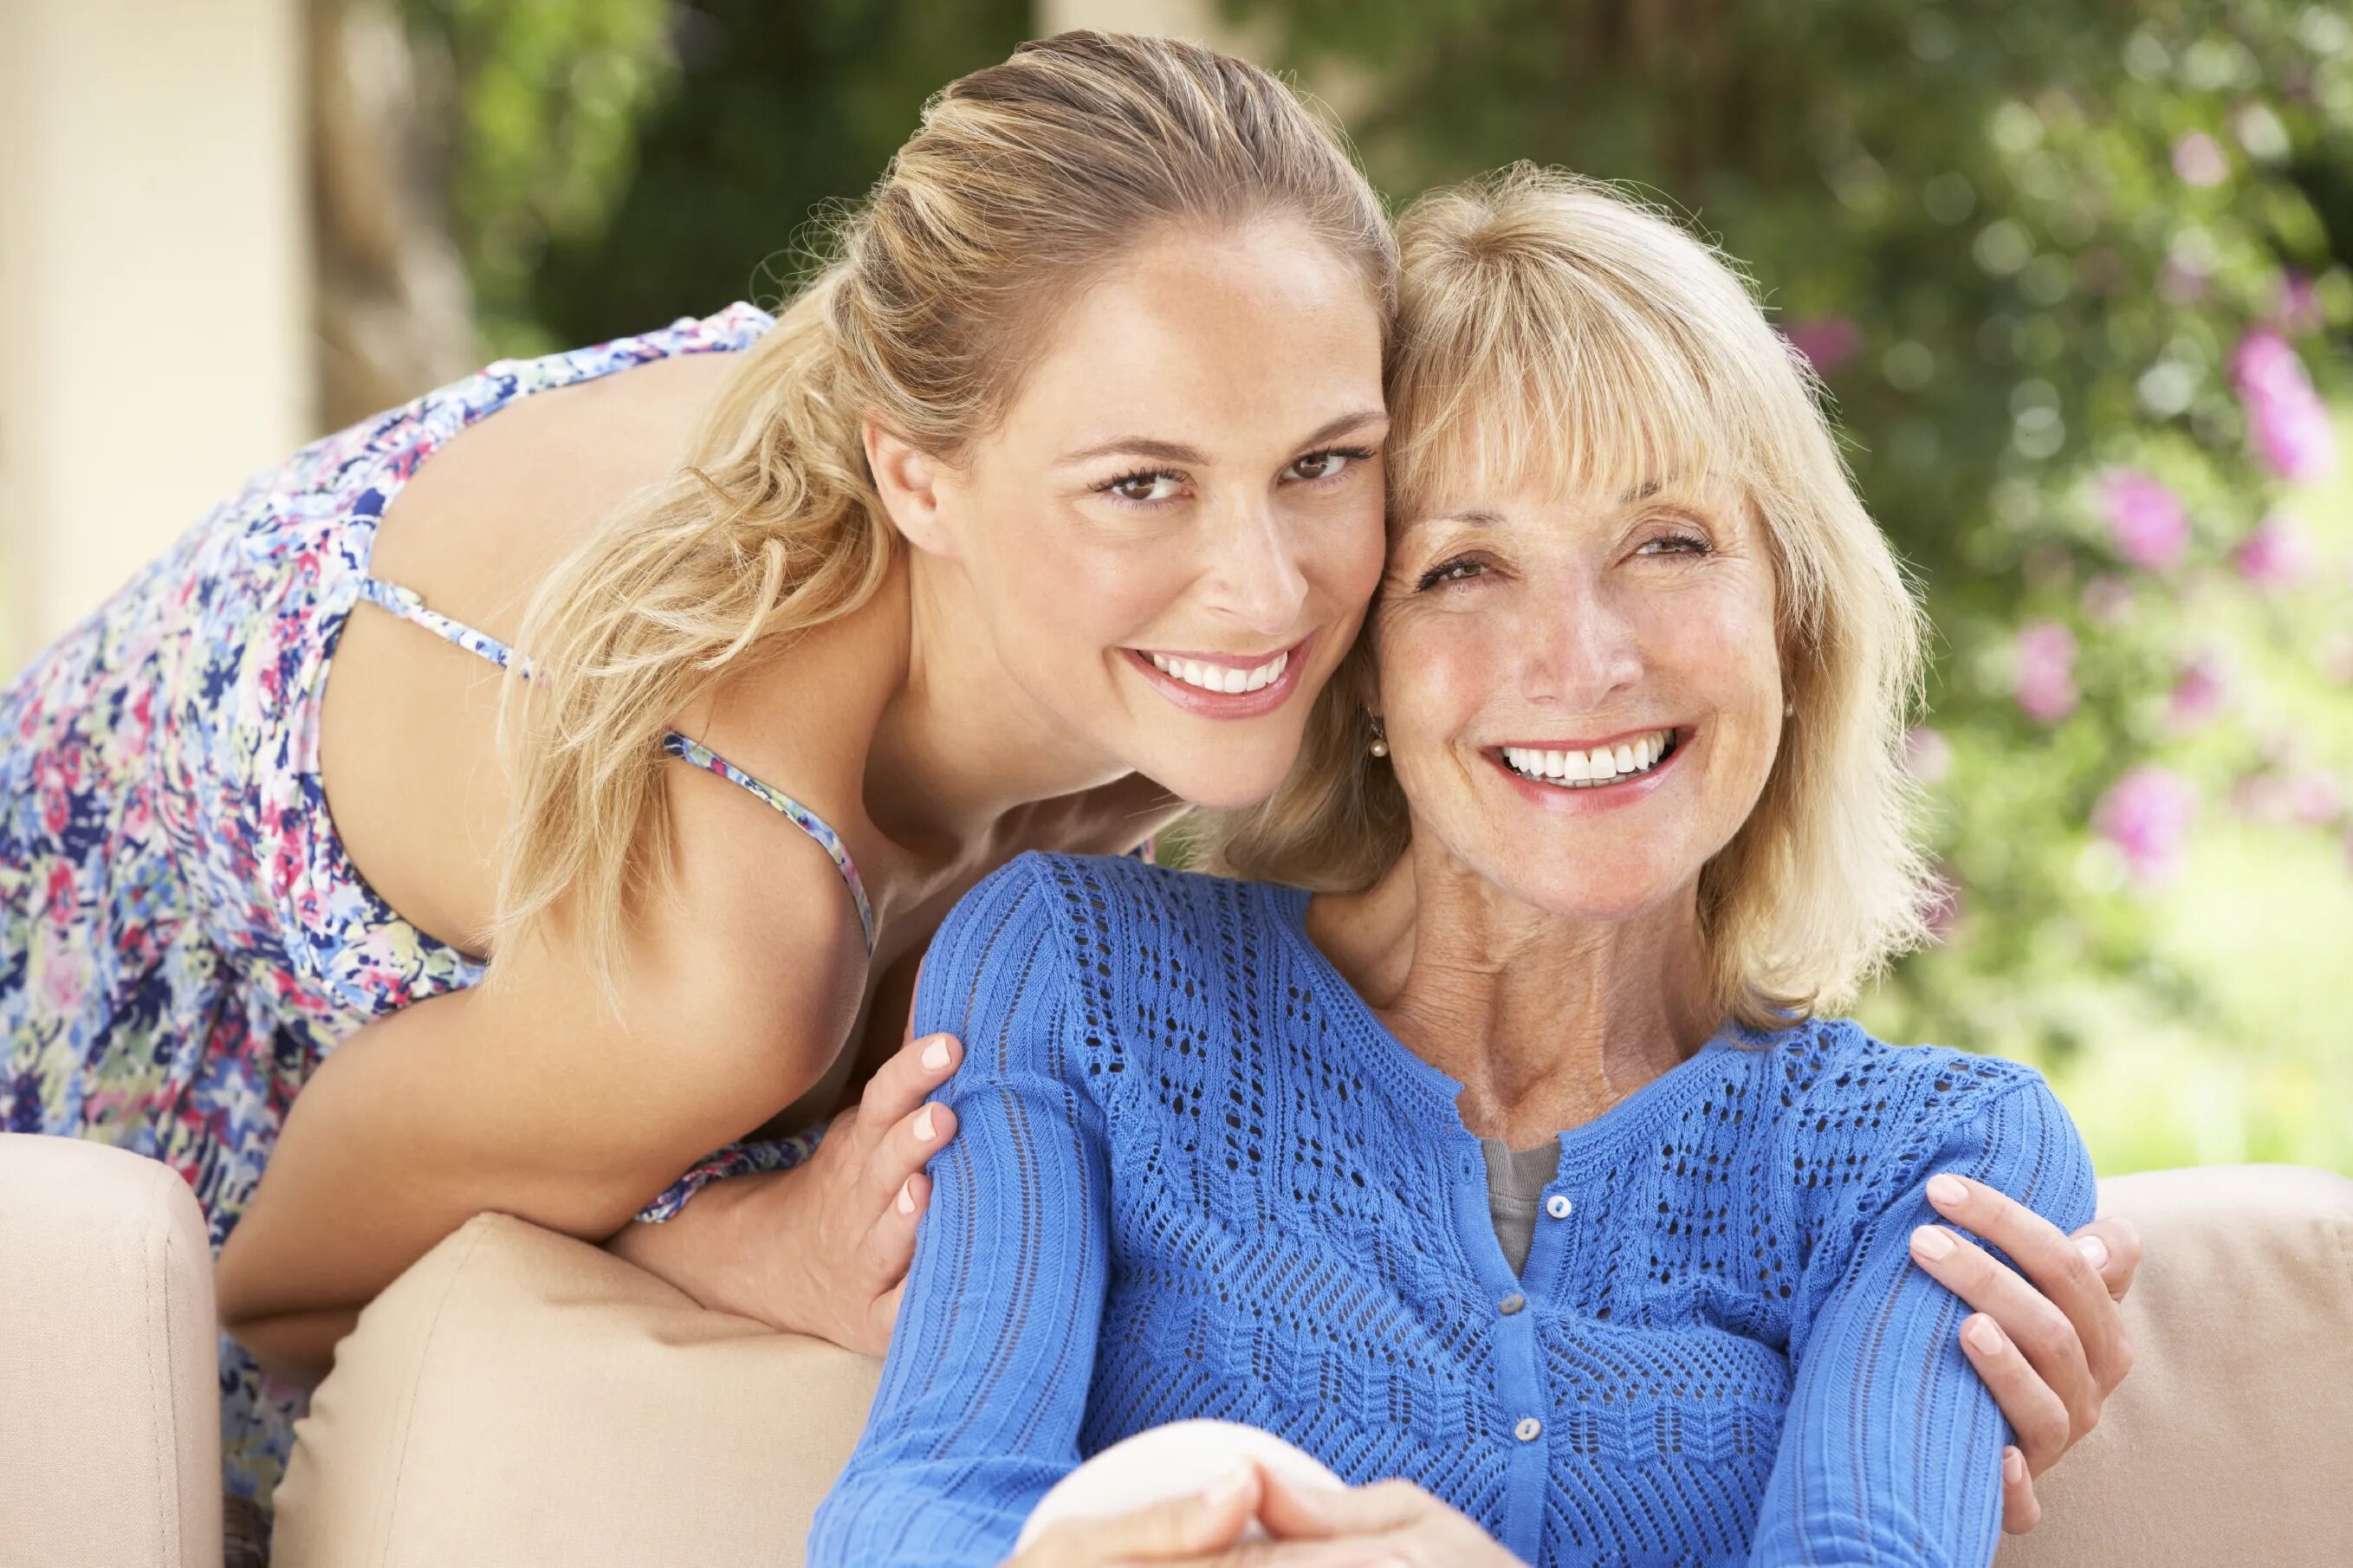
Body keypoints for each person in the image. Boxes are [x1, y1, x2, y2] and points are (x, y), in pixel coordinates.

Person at [0, 32, 1398, 1499]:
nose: (1268, 587)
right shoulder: (728, 947)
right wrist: (742, 1234)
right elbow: (261, 1284)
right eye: (1141, 483)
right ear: (917, 475)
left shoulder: (1128, 653)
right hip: (84, 1090)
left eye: (1322, 461)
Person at [808, 165, 2129, 1568]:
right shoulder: (1085, 979)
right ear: (1363, 665)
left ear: (1793, 621)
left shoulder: (1932, 1159)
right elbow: (924, 1500)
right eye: (1462, 571)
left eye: (1668, 543)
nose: (1583, 659)